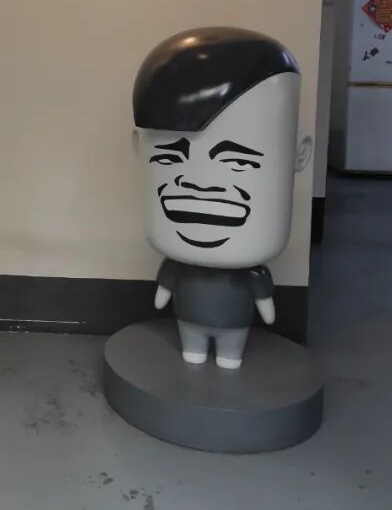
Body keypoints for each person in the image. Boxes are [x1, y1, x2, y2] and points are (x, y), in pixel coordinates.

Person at [132, 27, 312, 369]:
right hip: (191, 319)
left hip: (234, 322)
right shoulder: (176, 257)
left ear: (299, 154)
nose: (199, 184)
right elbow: (166, 283)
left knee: (228, 352)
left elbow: (261, 290)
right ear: (139, 148)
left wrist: (266, 305)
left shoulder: (252, 264)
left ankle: (230, 354)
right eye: (170, 158)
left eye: (238, 162)